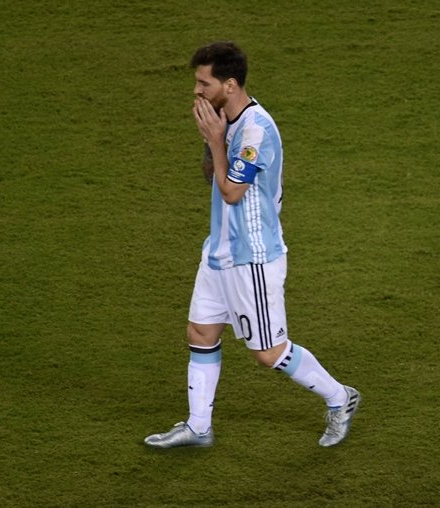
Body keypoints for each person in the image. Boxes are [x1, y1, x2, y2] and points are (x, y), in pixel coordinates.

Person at [144, 41, 361, 449]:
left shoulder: (255, 131)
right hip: (220, 250)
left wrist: (215, 141)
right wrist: (212, 139)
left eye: (202, 83)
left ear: (229, 83)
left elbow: (230, 191)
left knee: (269, 353)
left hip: (252, 258)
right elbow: (211, 176)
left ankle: (339, 397)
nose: (196, 91)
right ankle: (199, 427)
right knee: (201, 332)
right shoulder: (227, 118)